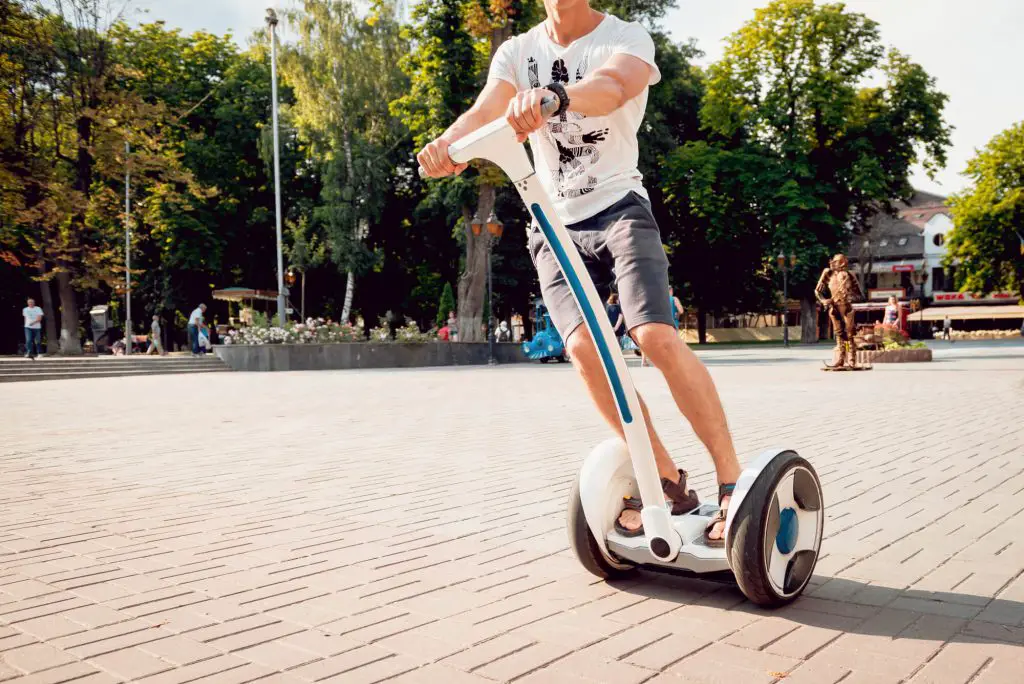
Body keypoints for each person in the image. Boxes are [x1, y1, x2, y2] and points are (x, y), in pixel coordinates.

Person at [418, 0, 742, 544]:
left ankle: (732, 480)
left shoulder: (626, 37)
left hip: (620, 208)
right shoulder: (518, 52)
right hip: (553, 222)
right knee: (586, 351)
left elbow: (614, 86)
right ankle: (664, 478)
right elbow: (484, 111)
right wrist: (447, 145)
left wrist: (556, 97)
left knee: (653, 336)